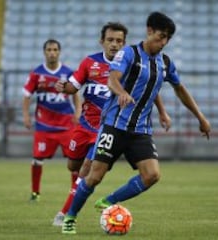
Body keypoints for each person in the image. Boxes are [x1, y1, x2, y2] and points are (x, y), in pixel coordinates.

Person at [61, 12, 211, 234]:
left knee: (152, 175)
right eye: (161, 36)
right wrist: (121, 92)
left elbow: (179, 89)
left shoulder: (165, 62)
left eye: (167, 38)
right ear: (149, 31)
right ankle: (70, 218)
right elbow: (112, 79)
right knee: (94, 176)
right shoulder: (128, 53)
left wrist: (201, 117)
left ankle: (109, 200)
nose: (163, 42)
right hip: (113, 125)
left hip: (140, 130)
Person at [53, 22, 171, 226]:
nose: (114, 45)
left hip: (109, 127)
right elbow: (73, 87)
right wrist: (64, 86)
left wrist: (161, 111)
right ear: (102, 41)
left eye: (119, 41)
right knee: (73, 165)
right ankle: (76, 191)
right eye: (110, 40)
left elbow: (152, 87)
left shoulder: (131, 62)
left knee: (87, 170)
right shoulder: (90, 63)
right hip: (84, 127)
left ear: (124, 43)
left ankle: (65, 214)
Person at [22, 39, 80, 202]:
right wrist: (26, 115)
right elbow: (27, 96)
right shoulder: (37, 74)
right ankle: (35, 193)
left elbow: (76, 94)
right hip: (44, 126)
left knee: (75, 161)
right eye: (49, 50)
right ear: (44, 52)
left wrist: (78, 112)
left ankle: (74, 194)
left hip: (67, 125)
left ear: (59, 52)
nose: (52, 53)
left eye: (55, 49)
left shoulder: (68, 73)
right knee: (37, 159)